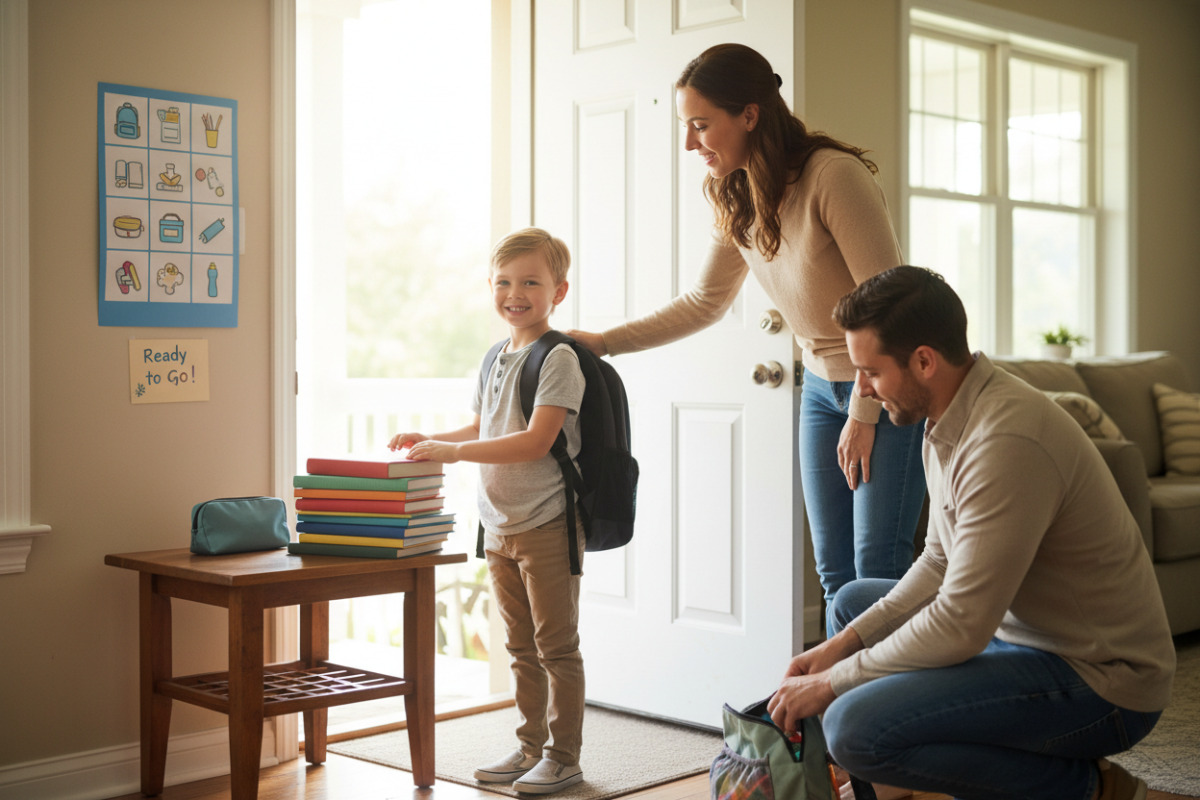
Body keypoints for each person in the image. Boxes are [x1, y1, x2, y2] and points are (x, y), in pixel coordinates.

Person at [767, 265, 1176, 800]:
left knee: (852, 728)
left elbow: (961, 623)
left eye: (869, 371)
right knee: (852, 607)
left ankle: (1089, 788)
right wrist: (839, 648)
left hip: (1100, 679)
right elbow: (938, 560)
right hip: (1016, 635)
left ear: (923, 361)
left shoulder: (1007, 440)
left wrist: (830, 682)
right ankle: (888, 787)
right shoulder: (946, 415)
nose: (860, 389)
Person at [566, 43, 926, 634]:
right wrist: (603, 342)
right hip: (818, 390)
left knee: (877, 569)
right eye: (688, 127)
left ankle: (886, 719)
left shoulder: (834, 177)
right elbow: (704, 302)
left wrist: (865, 410)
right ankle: (833, 713)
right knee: (834, 571)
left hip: (885, 390)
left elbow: (893, 303)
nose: (691, 144)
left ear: (750, 115)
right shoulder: (739, 195)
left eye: (701, 125)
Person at [388, 228, 587, 795]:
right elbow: (483, 426)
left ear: (559, 291)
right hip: (498, 525)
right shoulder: (496, 355)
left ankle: (563, 755)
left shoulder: (559, 357)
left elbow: (534, 440)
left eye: (530, 281)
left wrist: (454, 454)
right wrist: (434, 438)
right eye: (503, 281)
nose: (514, 293)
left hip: (546, 522)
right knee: (520, 647)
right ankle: (529, 748)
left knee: (557, 647)